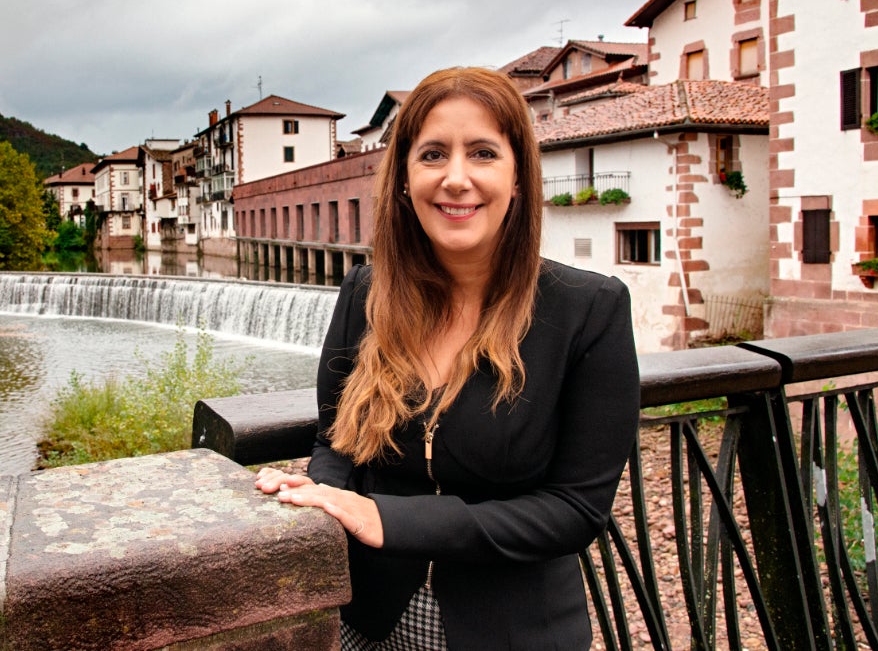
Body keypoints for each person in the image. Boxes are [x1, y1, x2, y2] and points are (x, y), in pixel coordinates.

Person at [255, 66, 640, 650]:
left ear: (518, 177)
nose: (456, 179)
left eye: (483, 153)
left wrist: (385, 519)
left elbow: (575, 510)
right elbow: (336, 442)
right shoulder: (364, 293)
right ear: (405, 180)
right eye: (433, 155)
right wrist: (319, 499)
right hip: (368, 618)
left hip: (510, 631)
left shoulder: (589, 309)